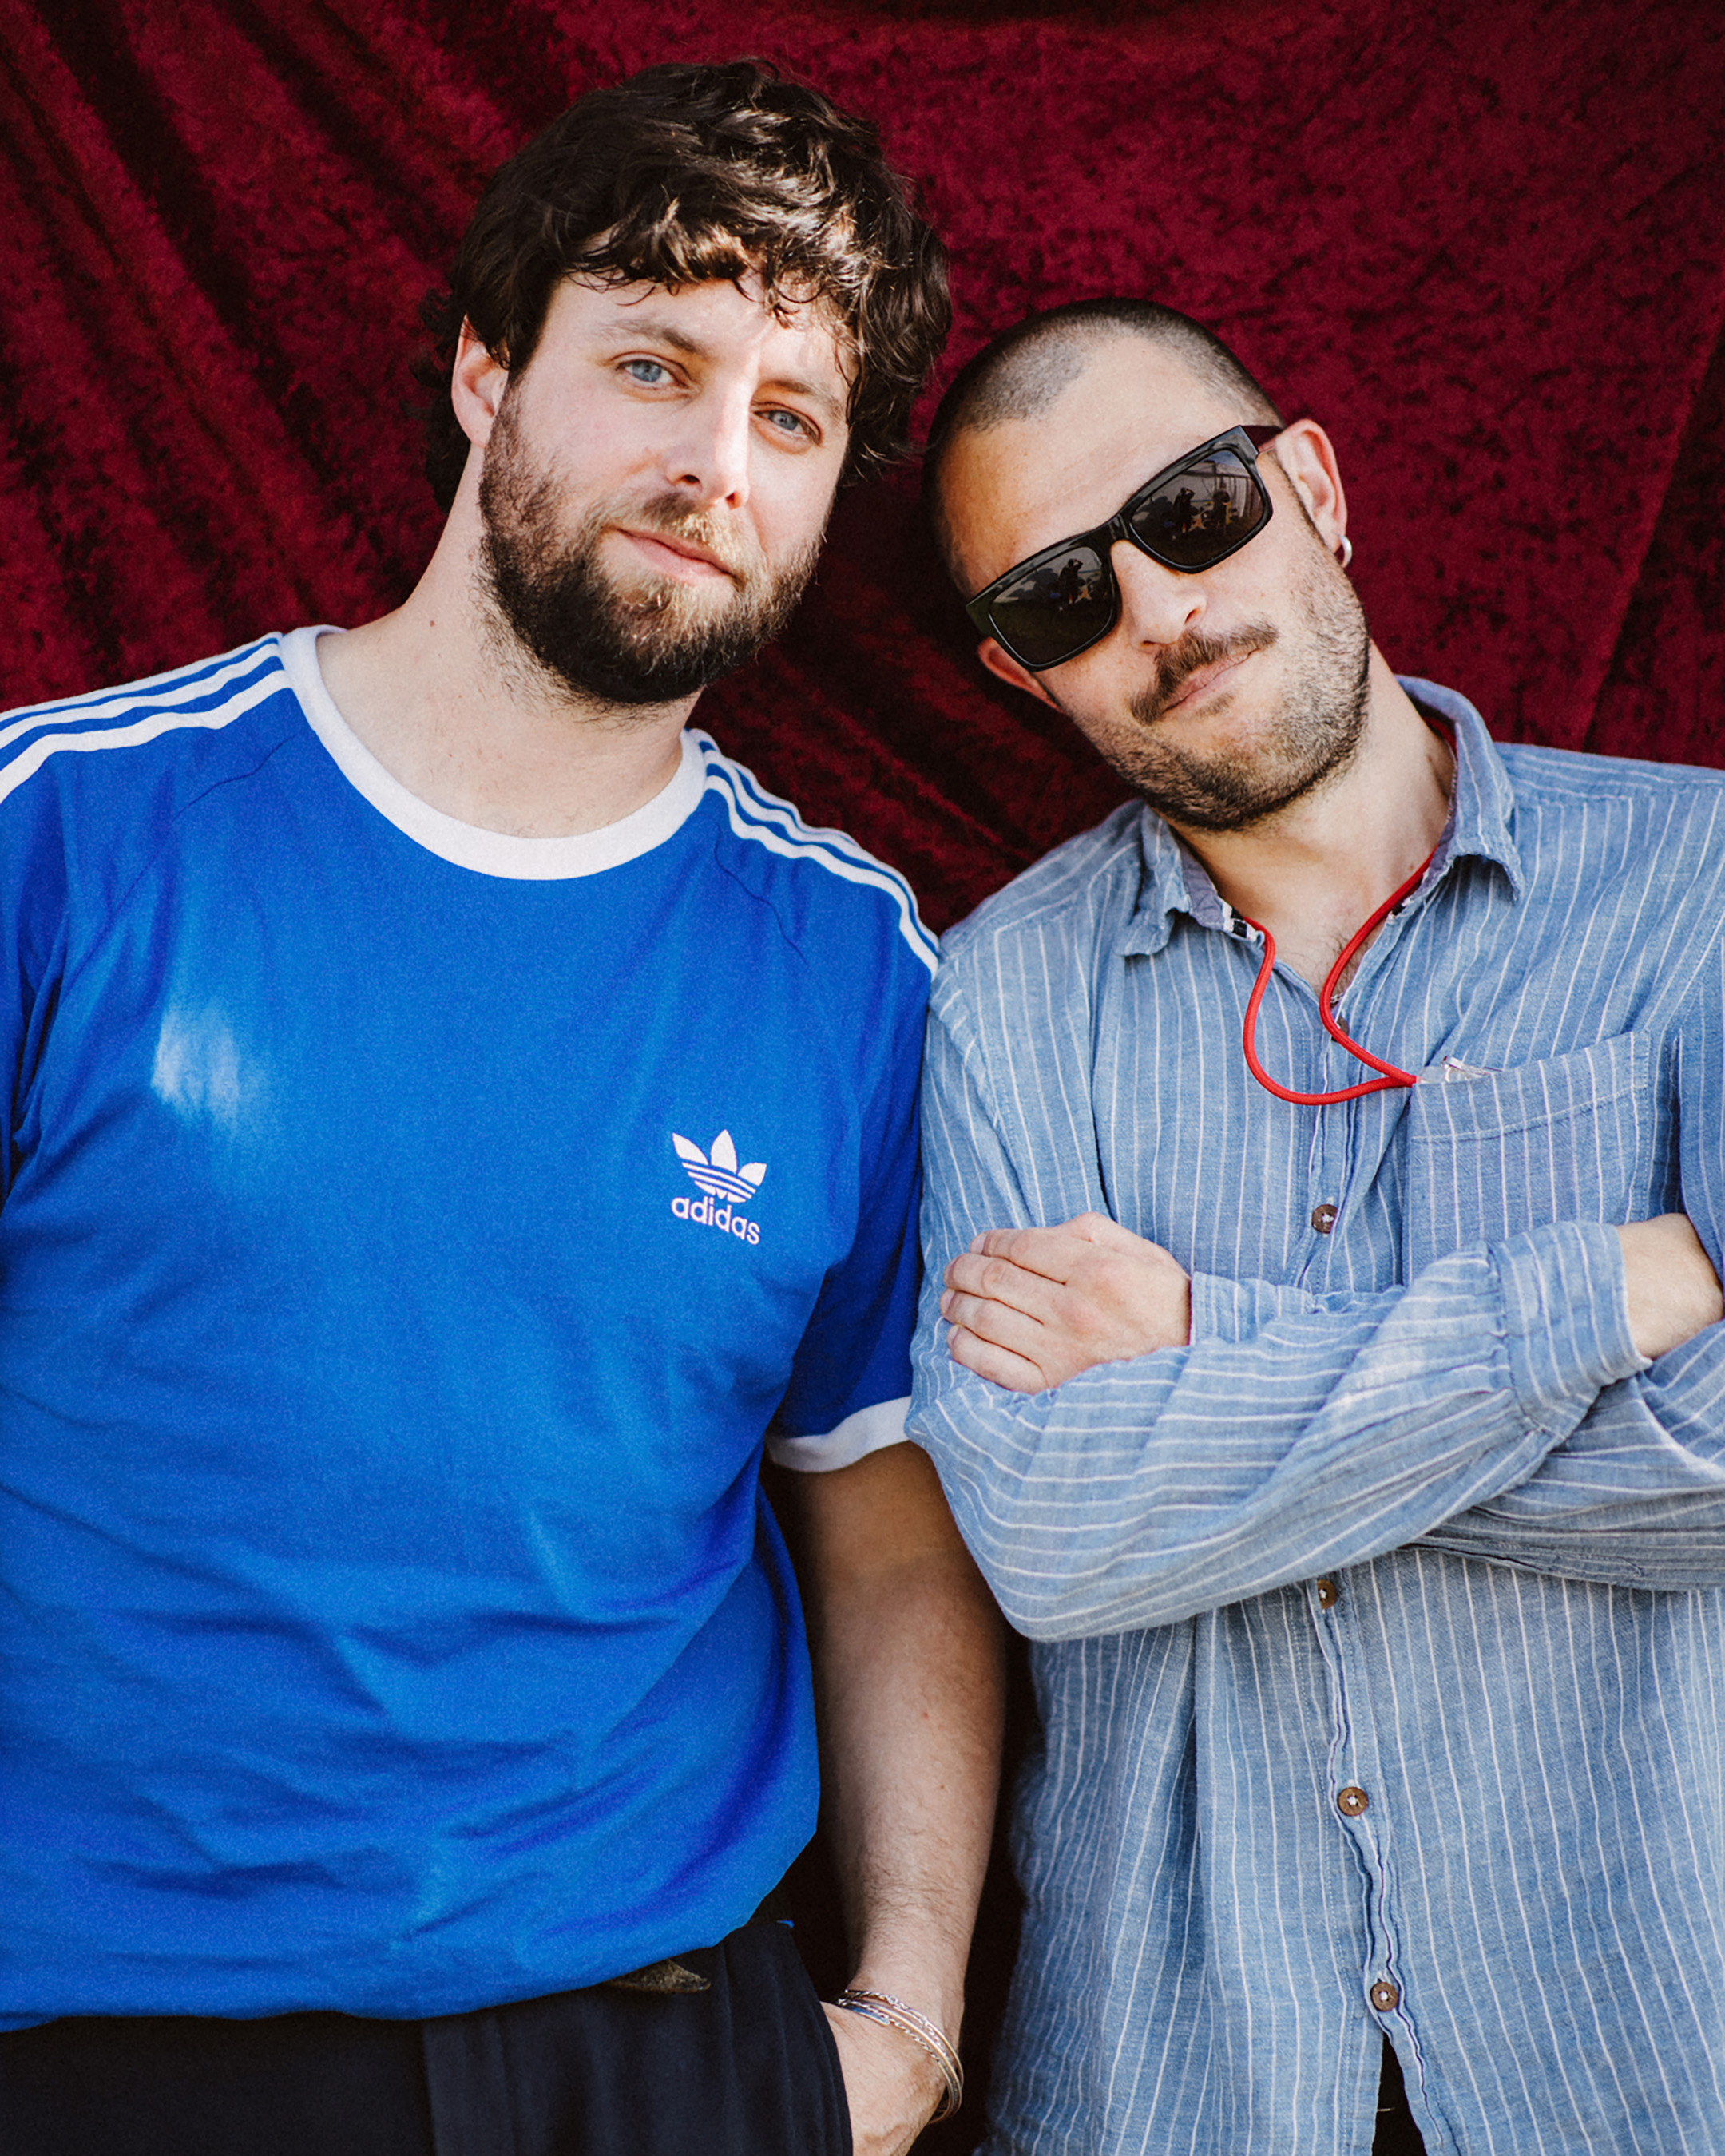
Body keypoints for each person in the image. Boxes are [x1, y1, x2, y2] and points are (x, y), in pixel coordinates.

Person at [0, 62, 1002, 2156]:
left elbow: (888, 1521)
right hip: (113, 2048)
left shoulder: (851, 969)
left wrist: (899, 2014)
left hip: (655, 2053)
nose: (714, 460)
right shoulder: (66, 836)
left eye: (791, 417)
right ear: (486, 368)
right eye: (655, 361)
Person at [911, 294, 1725, 2155]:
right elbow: (1045, 1533)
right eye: (1063, 596)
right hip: (1185, 2084)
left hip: (1648, 2054)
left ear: (1314, 488)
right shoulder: (997, 1004)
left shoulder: (1705, 891)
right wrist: (1626, 1285)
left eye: (1193, 512)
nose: (1159, 614)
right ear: (1017, 672)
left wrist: (1208, 1349)